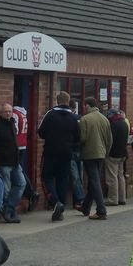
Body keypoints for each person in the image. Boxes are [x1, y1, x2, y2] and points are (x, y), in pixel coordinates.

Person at [37, 91, 80, 221]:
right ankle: (60, 208)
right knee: (62, 180)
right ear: (68, 101)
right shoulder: (73, 117)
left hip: (50, 151)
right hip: (67, 153)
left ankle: (56, 202)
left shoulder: (50, 114)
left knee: (46, 177)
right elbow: (78, 136)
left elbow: (41, 132)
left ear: (57, 100)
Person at [0, 103, 26, 223]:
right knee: (5, 189)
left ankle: (9, 208)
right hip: (3, 163)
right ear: (0, 113)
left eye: (9, 111)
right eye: (5, 111)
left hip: (15, 162)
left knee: (21, 184)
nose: (8, 113)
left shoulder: (12, 123)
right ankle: (7, 212)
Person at [79, 96, 112, 220]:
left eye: (83, 106)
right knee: (95, 181)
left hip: (89, 154)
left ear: (87, 105)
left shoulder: (85, 119)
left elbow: (82, 138)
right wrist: (106, 152)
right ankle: (86, 207)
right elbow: (110, 140)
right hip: (101, 154)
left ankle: (101, 210)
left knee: (94, 181)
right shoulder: (105, 119)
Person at [13, 104, 40, 210]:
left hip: (17, 147)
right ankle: (30, 192)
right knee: (19, 170)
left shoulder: (15, 114)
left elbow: (14, 130)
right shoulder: (23, 114)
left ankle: (31, 192)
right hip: (23, 145)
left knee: (18, 171)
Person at [105, 108, 129, 206]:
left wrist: (106, 152)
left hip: (113, 154)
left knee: (112, 177)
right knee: (120, 176)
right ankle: (122, 198)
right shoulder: (124, 123)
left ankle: (113, 200)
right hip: (123, 153)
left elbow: (110, 140)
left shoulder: (113, 125)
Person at [67, 98, 85, 211]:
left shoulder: (69, 118)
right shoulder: (80, 118)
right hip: (80, 150)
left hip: (71, 150)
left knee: (75, 177)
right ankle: (78, 200)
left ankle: (80, 200)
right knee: (79, 176)